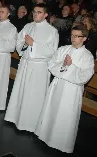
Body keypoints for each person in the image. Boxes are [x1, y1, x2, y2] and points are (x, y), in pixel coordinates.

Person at [35, 25, 95, 153]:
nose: (73, 38)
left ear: (84, 38)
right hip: (57, 85)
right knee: (52, 110)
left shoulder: (87, 56)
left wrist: (70, 66)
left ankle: (61, 143)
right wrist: (63, 65)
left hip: (72, 91)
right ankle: (45, 135)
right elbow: (51, 64)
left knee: (65, 116)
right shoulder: (63, 49)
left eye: (77, 36)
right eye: (72, 35)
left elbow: (84, 76)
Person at [4, 3, 59, 132]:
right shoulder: (28, 26)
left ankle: (30, 123)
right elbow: (19, 42)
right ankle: (16, 117)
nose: (35, 14)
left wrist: (33, 44)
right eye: (34, 11)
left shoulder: (52, 31)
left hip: (39, 67)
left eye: (39, 12)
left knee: (33, 95)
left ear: (45, 15)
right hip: (25, 64)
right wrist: (24, 44)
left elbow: (51, 51)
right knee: (21, 91)